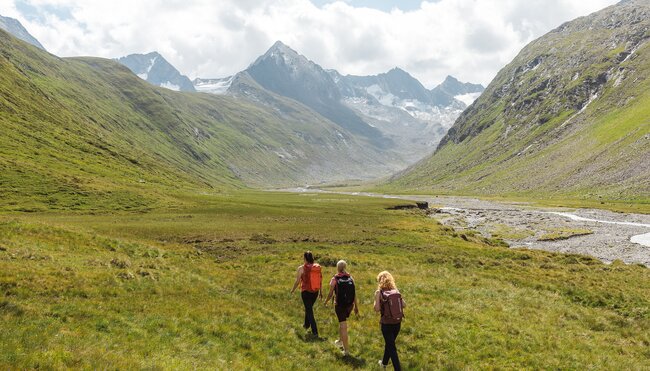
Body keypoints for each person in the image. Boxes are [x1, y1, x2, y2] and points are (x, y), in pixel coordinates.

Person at [325, 260, 358, 356]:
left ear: (337, 268)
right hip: (350, 305)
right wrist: (356, 307)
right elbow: (354, 293)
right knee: (342, 322)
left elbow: (331, 293)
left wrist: (326, 301)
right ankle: (340, 340)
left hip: (340, 305)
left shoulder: (335, 279)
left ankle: (346, 350)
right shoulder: (351, 278)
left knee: (343, 326)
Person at [374, 271, 405, 370]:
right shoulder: (395, 291)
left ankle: (397, 369)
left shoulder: (380, 292)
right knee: (390, 343)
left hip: (386, 324)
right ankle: (384, 364)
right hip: (397, 322)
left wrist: (376, 297)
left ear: (380, 281)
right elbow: (404, 305)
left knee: (391, 347)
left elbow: (377, 309)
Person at [291, 251, 322, 337]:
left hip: (306, 292)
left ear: (305, 258)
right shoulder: (317, 267)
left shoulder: (301, 268)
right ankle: (306, 325)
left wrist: (292, 290)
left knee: (309, 310)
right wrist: (320, 292)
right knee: (308, 308)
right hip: (315, 291)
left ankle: (315, 331)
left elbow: (297, 281)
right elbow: (320, 280)